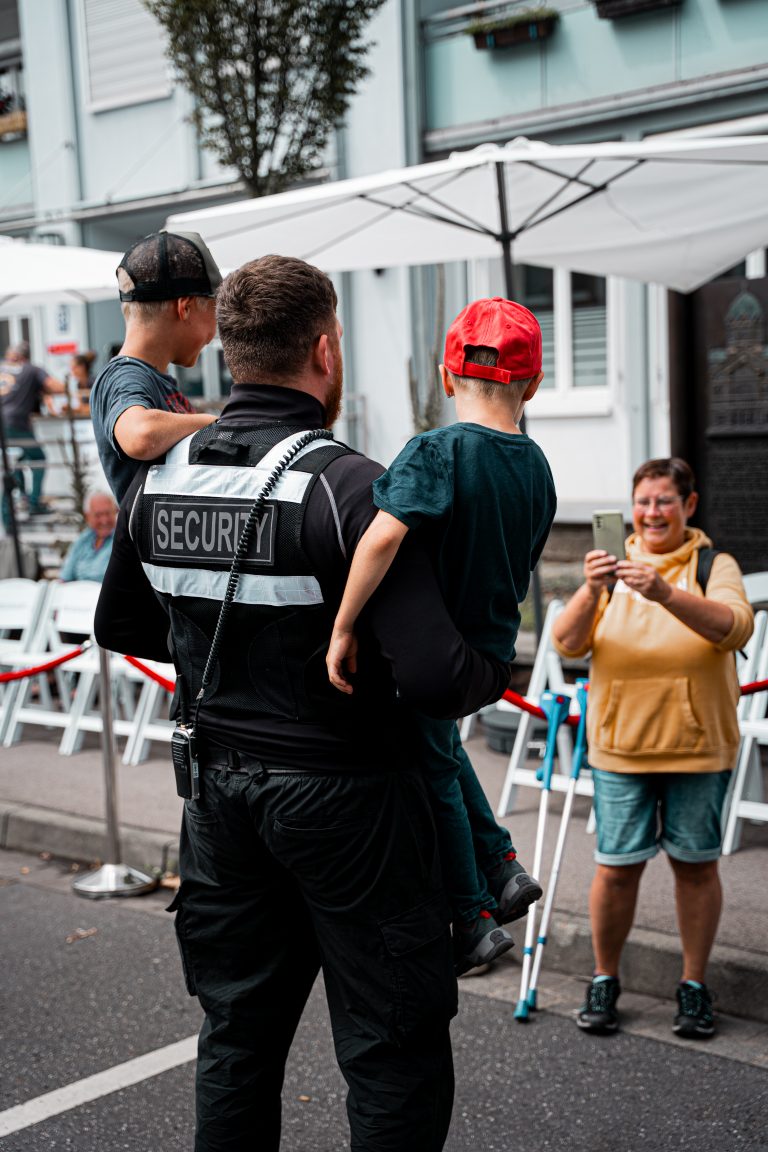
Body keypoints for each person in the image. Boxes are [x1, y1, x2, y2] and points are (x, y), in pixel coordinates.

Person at [95, 255, 512, 1152]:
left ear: (232, 357)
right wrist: (493, 654)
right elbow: (441, 679)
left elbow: (124, 622)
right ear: (325, 351)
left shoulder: (162, 479)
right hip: (351, 803)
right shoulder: (351, 485)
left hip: (218, 801)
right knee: (391, 1048)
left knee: (237, 1039)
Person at [327, 297, 556, 973]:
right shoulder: (538, 466)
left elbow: (383, 536)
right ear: (533, 384)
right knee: (442, 752)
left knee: (433, 768)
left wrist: (342, 626)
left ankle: (474, 914)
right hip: (491, 657)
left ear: (447, 377)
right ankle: (504, 865)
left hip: (434, 660)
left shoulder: (438, 450)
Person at [551, 457, 754, 1039]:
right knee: (615, 871)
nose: (652, 512)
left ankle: (693, 987)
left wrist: (665, 592)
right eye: (644, 501)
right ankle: (604, 978)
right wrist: (592, 590)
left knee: (695, 868)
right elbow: (567, 644)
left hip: (697, 747)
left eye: (665, 501)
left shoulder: (714, 563)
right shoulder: (611, 569)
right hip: (621, 747)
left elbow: (734, 627)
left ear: (689, 506)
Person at [89, 230, 222, 502]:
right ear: (185, 308)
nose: (215, 330)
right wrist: (219, 424)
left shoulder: (154, 379)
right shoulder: (125, 377)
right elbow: (140, 434)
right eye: (214, 310)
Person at [0, 341, 66, 523]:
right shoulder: (32, 369)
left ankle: (17, 503)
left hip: (3, 425)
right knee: (38, 459)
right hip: (16, 423)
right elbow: (54, 386)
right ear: (25, 356)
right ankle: (33, 503)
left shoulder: (2, 368)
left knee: (16, 461)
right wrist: (72, 387)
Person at [59, 491, 117, 582]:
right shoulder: (83, 540)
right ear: (88, 516)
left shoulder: (122, 539)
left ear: (115, 512)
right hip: (80, 593)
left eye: (108, 513)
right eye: (98, 515)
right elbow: (65, 578)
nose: (104, 520)